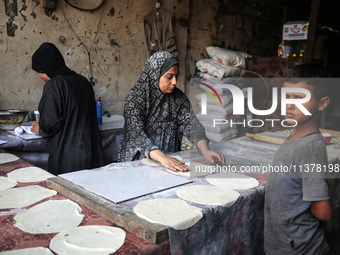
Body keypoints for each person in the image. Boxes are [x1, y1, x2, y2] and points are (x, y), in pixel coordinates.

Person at [264, 63, 333, 255]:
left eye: (300, 98)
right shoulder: (297, 138)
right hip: (285, 243)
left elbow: (323, 212)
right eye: (287, 96)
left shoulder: (308, 149)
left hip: (299, 248)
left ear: (322, 103)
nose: (290, 104)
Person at [118, 51, 225, 171]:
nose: (174, 82)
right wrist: (162, 158)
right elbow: (136, 134)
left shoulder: (178, 98)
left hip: (170, 161)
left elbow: (193, 127)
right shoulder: (136, 98)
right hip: (138, 163)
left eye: (176, 76)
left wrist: (205, 150)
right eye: (169, 77)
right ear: (155, 74)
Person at [31, 42, 105, 175]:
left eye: (39, 71)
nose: (40, 76)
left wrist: (40, 129)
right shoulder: (83, 81)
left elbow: (50, 124)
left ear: (47, 67)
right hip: (93, 155)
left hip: (68, 160)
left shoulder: (54, 85)